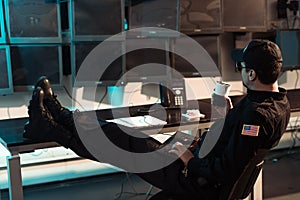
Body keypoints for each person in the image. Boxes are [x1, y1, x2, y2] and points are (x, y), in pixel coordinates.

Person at [24, 39, 290, 200]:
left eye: (242, 68)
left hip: (200, 183)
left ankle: (51, 126)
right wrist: (222, 116)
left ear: (253, 74)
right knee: (122, 137)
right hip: (199, 168)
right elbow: (233, 150)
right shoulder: (274, 103)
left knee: (120, 142)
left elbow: (225, 170)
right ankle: (58, 117)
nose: (240, 71)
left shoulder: (256, 116)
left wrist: (189, 158)